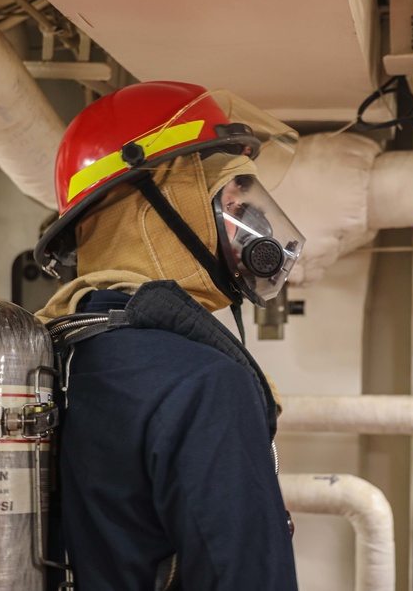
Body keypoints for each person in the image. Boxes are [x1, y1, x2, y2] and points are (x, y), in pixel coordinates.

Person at [33, 81, 302, 590]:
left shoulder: (59, 348)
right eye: (228, 195)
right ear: (152, 207)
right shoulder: (203, 385)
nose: (251, 222)